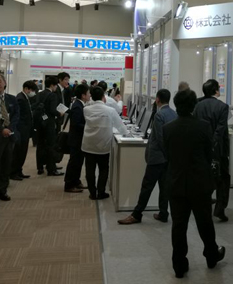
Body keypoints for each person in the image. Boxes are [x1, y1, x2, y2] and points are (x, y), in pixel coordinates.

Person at [164, 89, 225, 278]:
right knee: (205, 222)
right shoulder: (204, 127)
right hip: (200, 183)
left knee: (178, 225)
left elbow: (167, 155)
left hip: (176, 183)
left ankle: (179, 265)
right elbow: (208, 154)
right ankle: (211, 255)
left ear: (176, 105)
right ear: (194, 106)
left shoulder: (168, 128)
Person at [118, 89, 177, 225]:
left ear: (157, 99)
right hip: (167, 158)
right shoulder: (174, 114)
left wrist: (164, 153)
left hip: (157, 158)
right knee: (164, 187)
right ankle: (163, 213)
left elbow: (160, 138)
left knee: (147, 187)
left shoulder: (159, 115)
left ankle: (136, 214)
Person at [194, 79, 230, 222]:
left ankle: (204, 206)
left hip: (201, 148)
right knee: (223, 178)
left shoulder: (197, 105)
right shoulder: (222, 107)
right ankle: (220, 209)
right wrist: (213, 145)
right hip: (218, 149)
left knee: (204, 177)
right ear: (216, 90)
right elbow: (220, 130)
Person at [82, 86, 128, 199]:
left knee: (90, 169)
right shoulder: (110, 110)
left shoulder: (86, 109)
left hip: (89, 144)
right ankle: (101, 192)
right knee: (103, 169)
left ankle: (92, 193)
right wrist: (127, 133)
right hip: (103, 144)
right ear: (104, 97)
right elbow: (121, 127)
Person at [35, 76, 64, 176]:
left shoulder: (40, 94)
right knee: (51, 145)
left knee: (40, 144)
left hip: (40, 122)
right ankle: (51, 168)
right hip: (49, 123)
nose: (56, 87)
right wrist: (59, 113)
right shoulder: (52, 95)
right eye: (55, 85)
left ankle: (40, 167)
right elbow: (52, 110)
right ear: (52, 85)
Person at [64, 83, 90, 193]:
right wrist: (89, 126)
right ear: (83, 95)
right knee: (74, 162)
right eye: (88, 93)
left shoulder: (80, 104)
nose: (89, 95)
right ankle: (69, 184)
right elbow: (76, 124)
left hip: (79, 139)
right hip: (76, 139)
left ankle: (76, 181)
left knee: (79, 162)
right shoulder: (77, 106)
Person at [11, 80, 37, 180]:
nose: (33, 93)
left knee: (23, 152)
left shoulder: (25, 98)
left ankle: (19, 170)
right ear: (26, 89)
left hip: (25, 129)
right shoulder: (20, 98)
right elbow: (19, 116)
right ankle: (13, 172)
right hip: (21, 130)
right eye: (32, 90)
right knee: (18, 152)